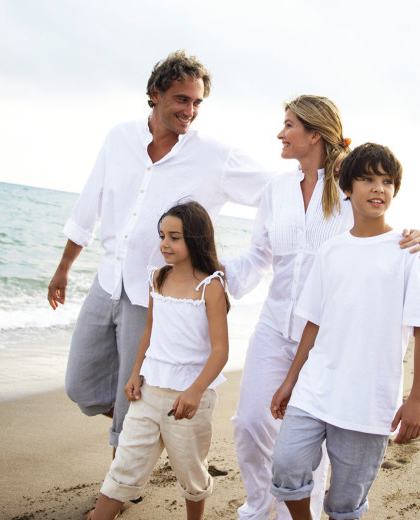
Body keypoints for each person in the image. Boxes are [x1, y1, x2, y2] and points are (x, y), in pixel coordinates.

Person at [47, 50, 270, 451]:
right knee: (81, 385)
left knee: (129, 397)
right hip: (108, 282)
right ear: (156, 94)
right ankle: (150, 428)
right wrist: (64, 267)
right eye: (182, 99)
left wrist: (337, 180)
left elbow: (275, 192)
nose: (191, 110)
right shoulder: (119, 138)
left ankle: (119, 489)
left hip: (156, 297)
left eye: (198, 102)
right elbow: (89, 204)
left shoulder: (214, 156)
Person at [222, 96, 420, 520]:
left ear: (314, 133)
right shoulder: (276, 189)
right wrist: (209, 274)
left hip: (327, 337)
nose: (281, 133)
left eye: (288, 125)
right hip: (275, 323)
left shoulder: (347, 184)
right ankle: (260, 506)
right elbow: (259, 255)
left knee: (317, 436)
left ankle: (296, 514)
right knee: (250, 423)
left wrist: (415, 237)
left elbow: (373, 232)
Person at [268, 143, 420, 520]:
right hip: (316, 387)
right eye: (367, 179)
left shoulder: (407, 251)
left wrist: (417, 399)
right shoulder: (331, 250)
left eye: (387, 181)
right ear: (346, 187)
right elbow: (314, 321)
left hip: (369, 399)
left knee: (345, 504)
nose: (378, 188)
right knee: (286, 466)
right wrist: (291, 380)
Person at [87, 201, 230, 520]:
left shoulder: (211, 286)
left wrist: (194, 391)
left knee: (191, 473)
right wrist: (135, 373)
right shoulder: (157, 278)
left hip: (189, 399)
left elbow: (221, 350)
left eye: (174, 237)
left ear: (194, 239)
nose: (165, 243)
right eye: (162, 235)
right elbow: (149, 331)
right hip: (148, 393)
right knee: (124, 464)